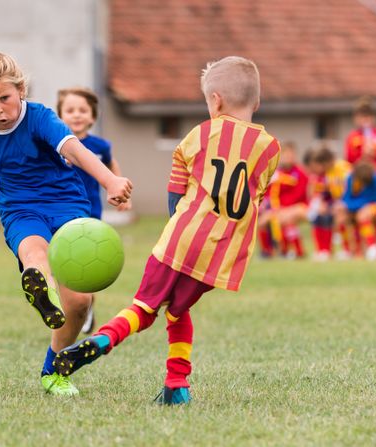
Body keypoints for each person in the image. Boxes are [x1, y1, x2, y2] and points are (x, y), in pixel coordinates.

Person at [52, 56, 280, 405]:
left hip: (181, 239)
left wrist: (177, 223)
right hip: (221, 253)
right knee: (177, 311)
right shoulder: (270, 148)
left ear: (215, 101)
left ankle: (102, 339)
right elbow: (257, 197)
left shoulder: (202, 133)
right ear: (257, 102)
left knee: (144, 308)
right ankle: (177, 385)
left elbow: (176, 187)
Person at [0, 52, 133, 396]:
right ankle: (39, 286)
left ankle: (54, 369)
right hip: (20, 210)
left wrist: (110, 181)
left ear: (21, 90)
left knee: (81, 302)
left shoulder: (41, 118)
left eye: (4, 99)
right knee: (34, 251)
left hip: (67, 207)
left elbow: (74, 150)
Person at [56, 87, 131, 334]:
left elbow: (111, 164)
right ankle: (68, 305)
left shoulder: (99, 145)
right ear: (60, 116)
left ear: (92, 116)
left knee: (87, 264)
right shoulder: (55, 144)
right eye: (70, 110)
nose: (76, 115)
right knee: (63, 263)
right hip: (60, 210)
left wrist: (120, 191)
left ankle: (86, 306)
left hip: (90, 214)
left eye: (82, 110)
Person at [257, 141, 309, 259]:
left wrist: (281, 207)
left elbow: (299, 195)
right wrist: (265, 205)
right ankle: (267, 252)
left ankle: (296, 250)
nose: (288, 158)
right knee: (263, 221)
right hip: (278, 208)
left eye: (291, 155)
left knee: (286, 218)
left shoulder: (300, 173)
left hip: (299, 206)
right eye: (286, 156)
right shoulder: (275, 174)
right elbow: (268, 193)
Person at [306, 145, 352, 260]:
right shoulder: (328, 172)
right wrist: (322, 202)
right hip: (336, 202)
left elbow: (351, 189)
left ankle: (347, 250)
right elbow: (328, 191)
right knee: (319, 215)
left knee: (339, 215)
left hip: (349, 202)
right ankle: (324, 250)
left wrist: (342, 203)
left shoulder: (343, 168)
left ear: (327, 162)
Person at [341, 161, 376, 260]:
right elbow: (346, 198)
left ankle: (372, 246)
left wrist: (365, 206)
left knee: (363, 215)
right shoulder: (351, 179)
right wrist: (357, 206)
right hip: (356, 208)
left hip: (375, 206)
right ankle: (348, 250)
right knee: (341, 215)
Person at [345, 96, 376, 176]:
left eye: (367, 116)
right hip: (358, 175)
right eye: (362, 117)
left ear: (373, 117)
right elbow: (348, 158)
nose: (365, 120)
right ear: (356, 118)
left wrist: (375, 154)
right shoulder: (352, 137)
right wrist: (362, 154)